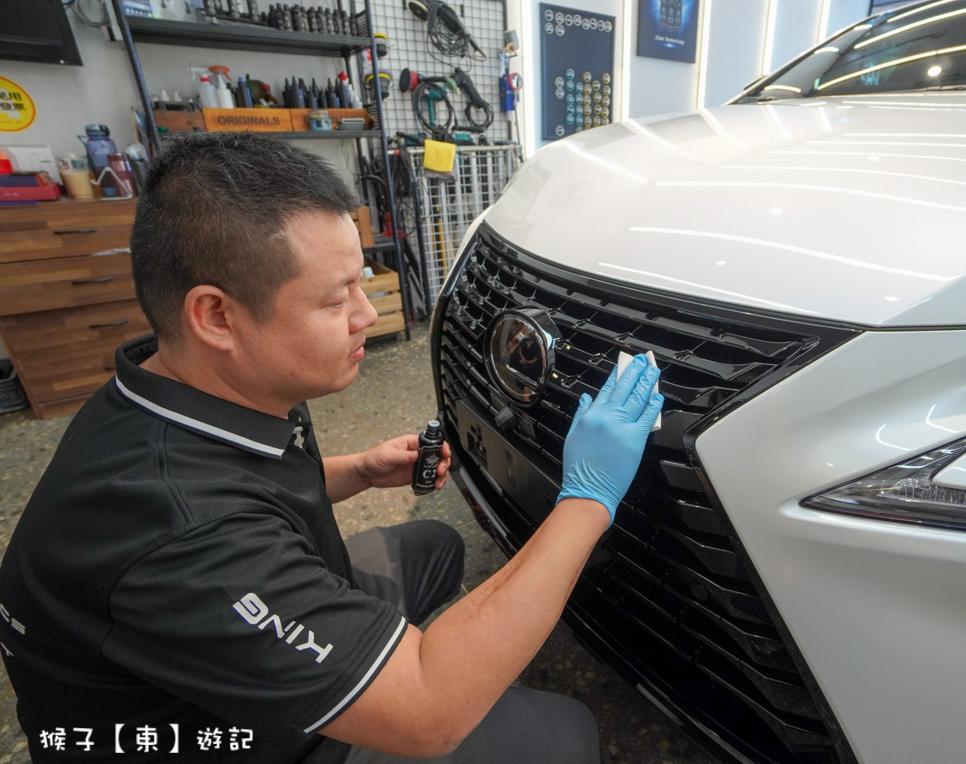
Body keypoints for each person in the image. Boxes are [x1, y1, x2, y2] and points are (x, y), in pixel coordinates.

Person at [0, 133, 663, 763]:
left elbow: (241, 483)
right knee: (560, 734)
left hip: (203, 648)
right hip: (220, 739)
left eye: (361, 280)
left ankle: (367, 667)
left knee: (437, 546)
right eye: (335, 297)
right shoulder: (186, 540)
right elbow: (432, 714)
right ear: (216, 316)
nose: (367, 313)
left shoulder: (177, 381)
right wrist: (588, 498)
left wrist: (359, 471)